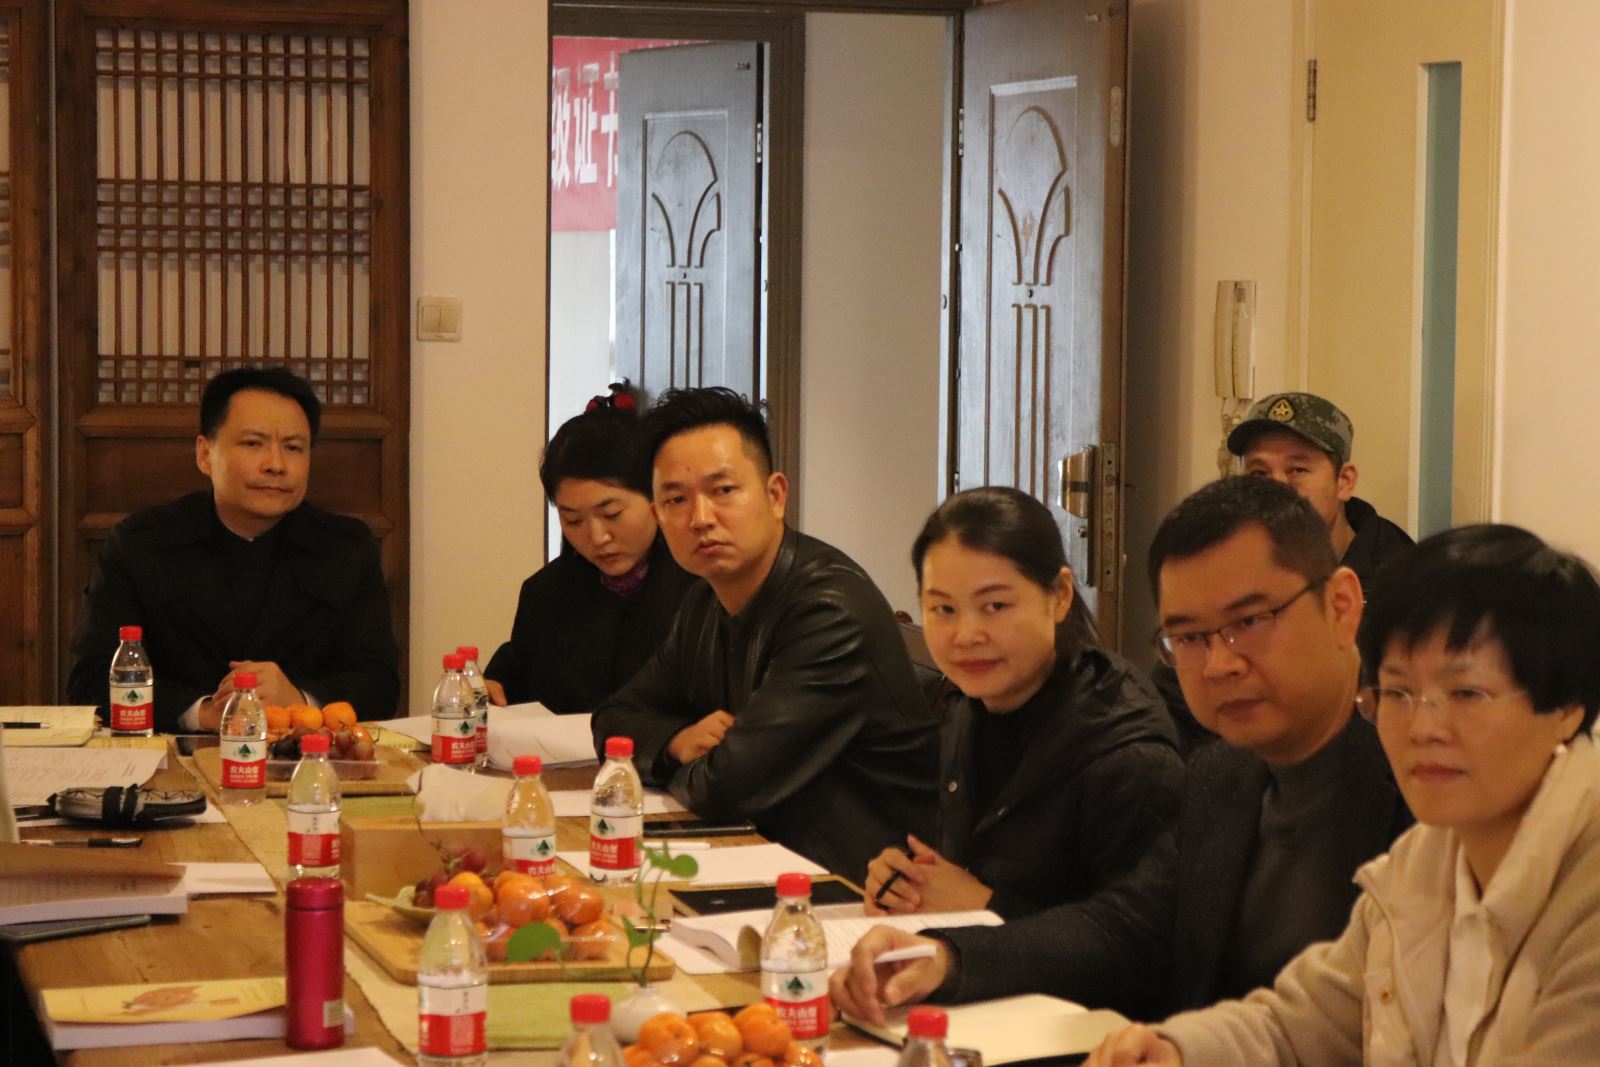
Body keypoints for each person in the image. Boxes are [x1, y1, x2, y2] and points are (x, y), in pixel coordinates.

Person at [831, 477, 1410, 1021]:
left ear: (1341, 606)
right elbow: (1126, 926)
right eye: (1188, 637)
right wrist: (947, 958)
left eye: (1251, 620)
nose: (1219, 663)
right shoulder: (1223, 774)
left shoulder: (1420, 785)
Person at [1089, 524, 1600, 1066]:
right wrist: (1175, 1050)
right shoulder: (1421, 866)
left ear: (1566, 707)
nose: (1422, 727)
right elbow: (1294, 1028)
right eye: (1398, 691)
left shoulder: (1584, 892)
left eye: (1466, 693)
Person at [591, 386, 939, 879]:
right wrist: (675, 742)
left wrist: (678, 760)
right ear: (658, 516)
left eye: (724, 491)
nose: (701, 518)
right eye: (676, 499)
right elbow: (613, 720)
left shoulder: (829, 611)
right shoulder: (705, 600)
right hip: (769, 859)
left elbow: (725, 787)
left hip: (863, 885)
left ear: (775, 496)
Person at [863, 487, 1181, 923]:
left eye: (995, 606)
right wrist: (909, 881)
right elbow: (968, 864)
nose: (966, 635)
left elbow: (1140, 941)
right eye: (943, 609)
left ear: (1060, 595)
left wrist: (984, 907)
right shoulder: (970, 709)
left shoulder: (1126, 753)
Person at [67, 367, 400, 731]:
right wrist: (204, 712)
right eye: (253, 443)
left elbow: (379, 683)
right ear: (204, 454)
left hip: (304, 755)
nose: (276, 465)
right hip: (176, 752)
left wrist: (299, 699)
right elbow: (90, 681)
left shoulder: (346, 549)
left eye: (293, 447)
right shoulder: (141, 544)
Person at [1159, 392, 1415, 753]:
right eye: (1259, 473)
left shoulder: (1401, 579)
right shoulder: (1228, 562)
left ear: (1344, 481)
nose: (1277, 486)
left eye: (1297, 470)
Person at [482, 396, 696, 712]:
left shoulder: (705, 588)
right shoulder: (545, 592)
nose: (597, 537)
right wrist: (491, 687)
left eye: (612, 514)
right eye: (573, 520)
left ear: (656, 496)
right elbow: (513, 674)